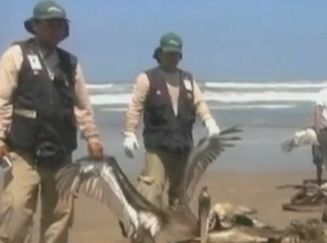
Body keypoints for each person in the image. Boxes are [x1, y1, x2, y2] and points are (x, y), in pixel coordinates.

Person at [0, 1, 104, 242]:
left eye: (58, 25)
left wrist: (93, 137)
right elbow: (2, 98)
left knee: (60, 218)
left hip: (60, 153)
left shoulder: (71, 64)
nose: (54, 30)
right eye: (49, 24)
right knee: (15, 211)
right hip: (23, 151)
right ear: (35, 26)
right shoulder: (16, 55)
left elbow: (83, 106)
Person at [123, 32, 220, 209]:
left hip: (183, 146)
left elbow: (199, 102)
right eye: (168, 54)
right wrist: (130, 133)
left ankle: (177, 233)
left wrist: (209, 121)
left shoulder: (187, 79)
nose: (172, 58)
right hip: (158, 147)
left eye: (175, 54)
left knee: (180, 197)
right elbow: (135, 106)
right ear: (160, 54)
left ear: (180, 55)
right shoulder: (147, 78)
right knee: (151, 193)